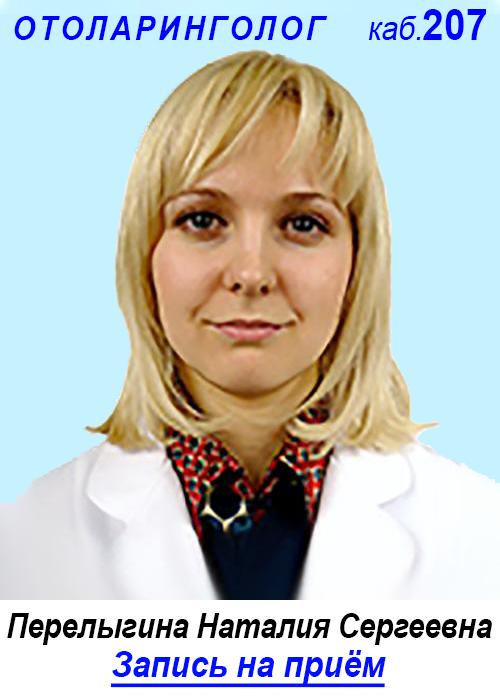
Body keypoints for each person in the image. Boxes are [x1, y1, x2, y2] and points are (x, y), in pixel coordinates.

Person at [1, 51, 499, 599]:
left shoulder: (482, 539)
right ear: (145, 255)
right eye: (203, 219)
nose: (251, 273)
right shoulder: (23, 548)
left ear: (358, 264)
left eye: (303, 223)